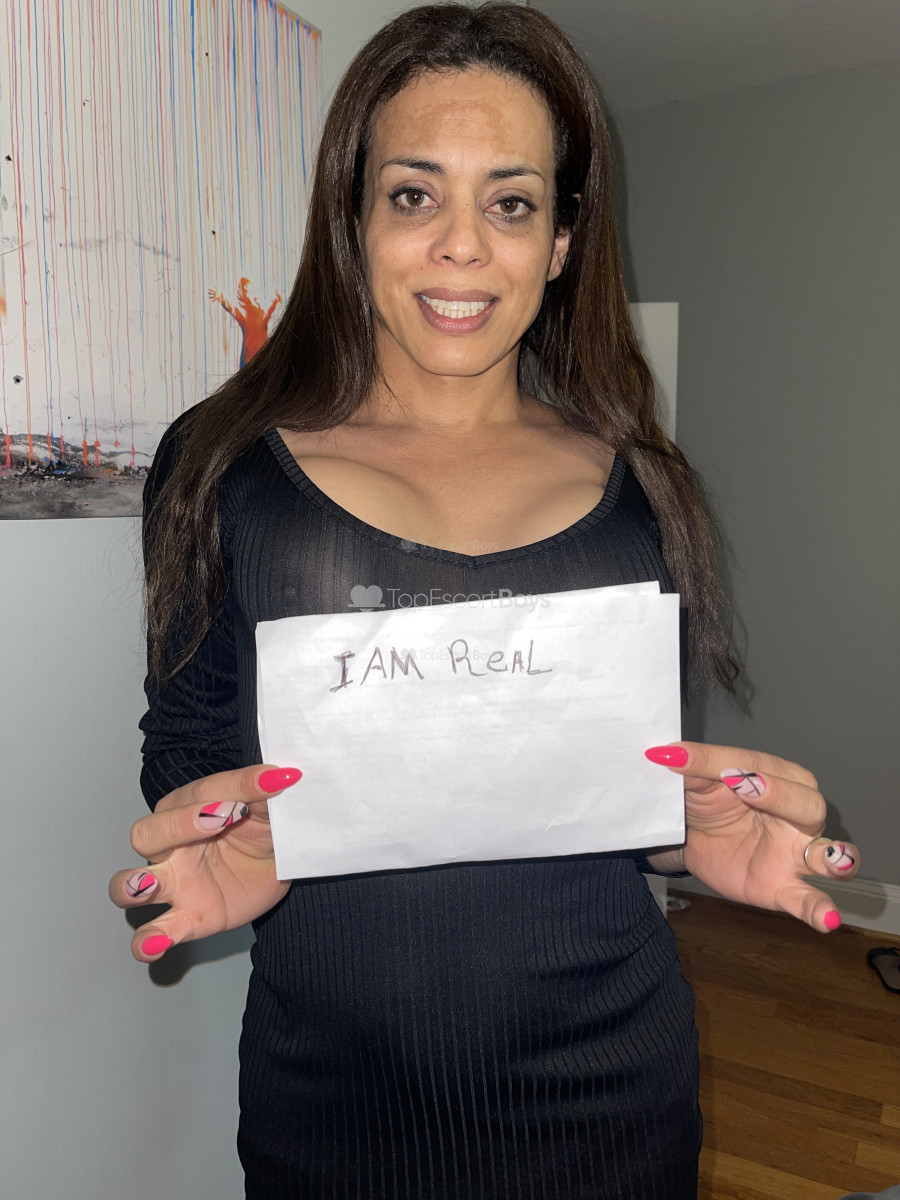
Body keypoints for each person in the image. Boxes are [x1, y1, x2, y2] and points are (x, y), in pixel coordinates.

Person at [109, 5, 861, 1196]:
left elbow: (626, 784)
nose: (461, 246)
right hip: (333, 1095)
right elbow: (186, 746)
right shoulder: (220, 465)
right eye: (414, 194)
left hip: (612, 1087)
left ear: (561, 241)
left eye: (510, 203)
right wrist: (222, 834)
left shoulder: (641, 485)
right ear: (354, 221)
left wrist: (688, 831)